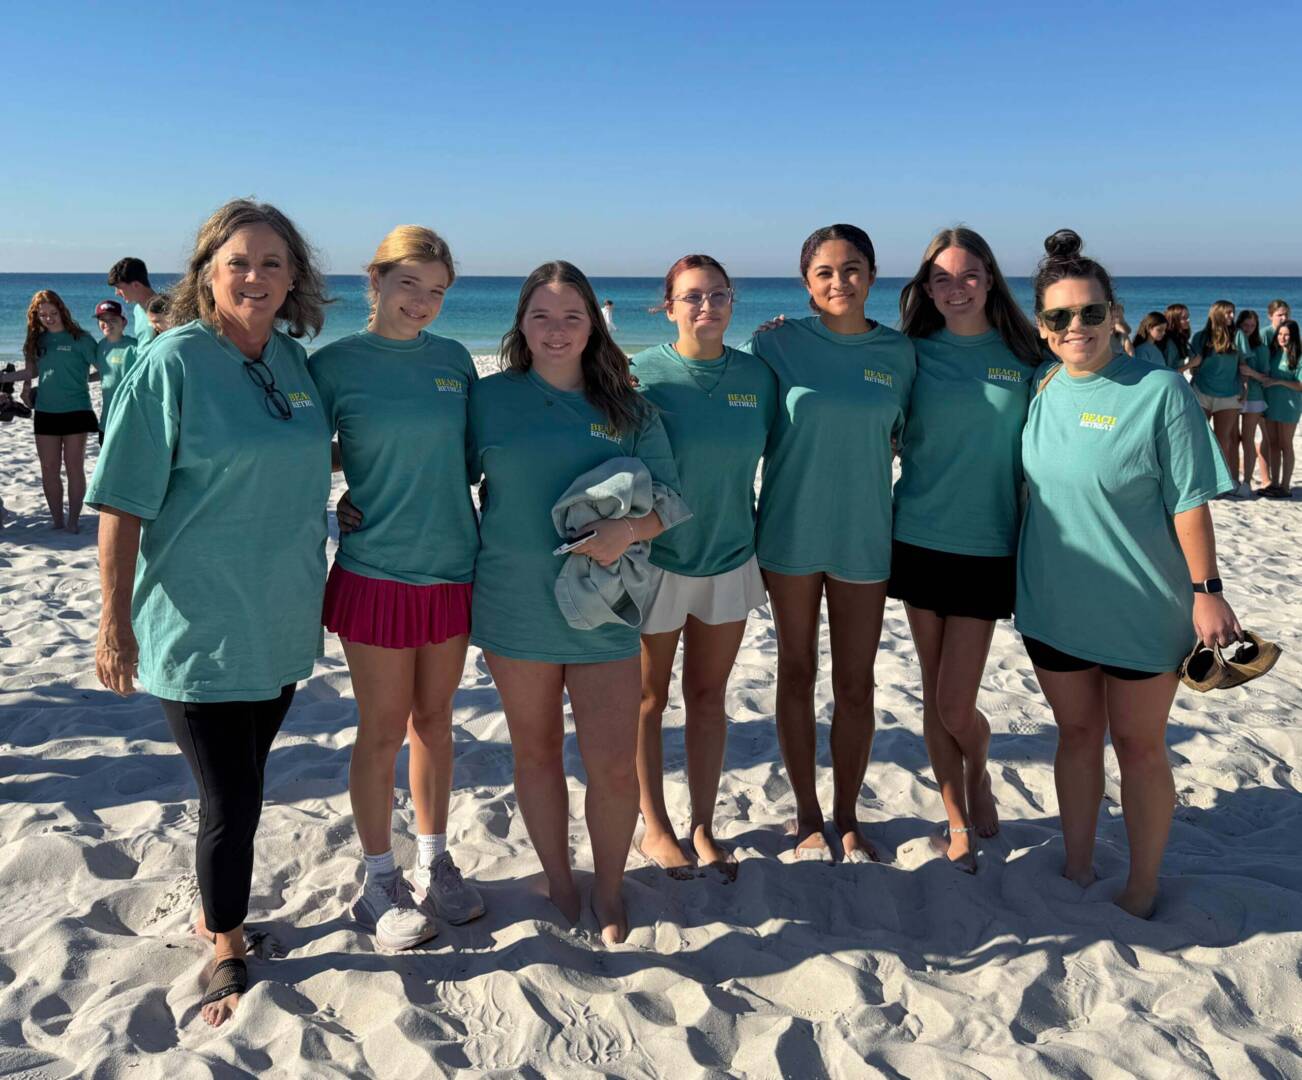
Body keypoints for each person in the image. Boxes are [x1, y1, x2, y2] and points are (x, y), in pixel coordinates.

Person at [87, 198, 333, 1026]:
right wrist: (112, 620)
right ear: (206, 274)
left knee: (249, 780)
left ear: (293, 276)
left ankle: (214, 908)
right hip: (197, 624)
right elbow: (120, 505)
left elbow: (307, 461)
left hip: (280, 616)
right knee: (232, 796)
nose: (255, 277)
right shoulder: (172, 361)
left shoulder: (295, 363)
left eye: (272, 263)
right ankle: (224, 934)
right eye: (238, 262)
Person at [1016, 229, 1240, 918]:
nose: (1076, 327)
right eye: (1059, 316)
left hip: (1144, 605)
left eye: (1089, 312)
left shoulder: (1161, 390)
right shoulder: (1042, 383)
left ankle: (1142, 884)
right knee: (1076, 737)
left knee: (1140, 748)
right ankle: (1079, 864)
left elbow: (1188, 503)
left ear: (1115, 311)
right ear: (1041, 327)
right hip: (1053, 603)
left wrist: (1208, 593)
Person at [468, 261, 688, 944]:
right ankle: (561, 882)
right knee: (534, 753)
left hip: (605, 608)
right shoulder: (488, 400)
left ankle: (612, 886)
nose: (556, 330)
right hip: (513, 600)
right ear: (521, 326)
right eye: (542, 316)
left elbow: (677, 500)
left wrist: (630, 528)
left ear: (594, 324)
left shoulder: (628, 405)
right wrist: (358, 499)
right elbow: (437, 474)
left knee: (612, 763)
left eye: (572, 317)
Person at [309, 226, 485, 950]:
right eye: (409, 283)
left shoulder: (452, 361)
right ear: (374, 279)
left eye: (438, 290)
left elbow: (476, 456)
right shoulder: (334, 365)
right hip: (376, 569)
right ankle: (378, 881)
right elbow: (291, 447)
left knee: (436, 723)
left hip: (452, 565)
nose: (423, 301)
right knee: (382, 728)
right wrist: (327, 505)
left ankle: (436, 861)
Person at [746, 224, 916, 862]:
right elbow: (731, 416)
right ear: (806, 282)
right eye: (825, 272)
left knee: (858, 683)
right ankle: (807, 812)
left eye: (851, 270)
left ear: (872, 276)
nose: (839, 281)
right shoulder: (776, 343)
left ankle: (847, 813)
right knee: (795, 672)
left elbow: (913, 439)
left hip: (865, 536)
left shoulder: (900, 354)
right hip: (789, 531)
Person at [893, 227, 1042, 872]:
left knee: (957, 700)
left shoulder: (1028, 353)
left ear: (990, 278)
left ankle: (977, 773)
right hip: (918, 535)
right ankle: (954, 817)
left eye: (968, 275)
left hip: (988, 542)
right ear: (926, 288)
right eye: (941, 279)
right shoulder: (910, 354)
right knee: (934, 695)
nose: (956, 289)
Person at [629, 255, 776, 877]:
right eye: (692, 297)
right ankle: (655, 825)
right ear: (669, 306)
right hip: (658, 559)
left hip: (730, 556)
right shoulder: (642, 373)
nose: (706, 307)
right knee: (647, 699)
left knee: (709, 697)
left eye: (718, 295)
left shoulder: (757, 377)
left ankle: (703, 825)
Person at [17, 290, 99, 531]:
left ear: (61, 310)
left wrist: (81, 380)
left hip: (76, 410)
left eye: (53, 313)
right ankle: (57, 521)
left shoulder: (80, 339)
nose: (49, 318)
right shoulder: (36, 341)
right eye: (43, 315)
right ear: (36, 316)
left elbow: (103, 369)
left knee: (74, 467)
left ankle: (73, 521)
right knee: (49, 468)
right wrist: (12, 381)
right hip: (45, 411)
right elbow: (31, 372)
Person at [1187, 300, 1245, 475]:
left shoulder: (1238, 335)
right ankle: (1201, 478)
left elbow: (1243, 366)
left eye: (1233, 312)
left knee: (1223, 441)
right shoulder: (1200, 337)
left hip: (1229, 394)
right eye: (1228, 313)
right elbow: (1193, 367)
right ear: (1217, 314)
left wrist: (1245, 388)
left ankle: (1221, 480)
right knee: (1200, 438)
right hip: (1201, 392)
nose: (1232, 316)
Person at [1261, 319, 1302, 498]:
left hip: (1289, 406)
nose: (1282, 338)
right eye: (1279, 334)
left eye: (1286, 335)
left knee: (1286, 444)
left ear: (1293, 337)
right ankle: (1274, 483)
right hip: (1271, 403)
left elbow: (1300, 385)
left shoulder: (1298, 356)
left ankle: (1285, 486)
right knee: (1273, 444)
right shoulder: (1273, 353)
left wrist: (1277, 381)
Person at [1234, 310, 1272, 495]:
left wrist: (1251, 372)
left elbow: (1266, 377)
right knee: (1232, 438)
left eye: (1252, 325)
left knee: (1247, 438)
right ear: (1239, 325)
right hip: (1232, 395)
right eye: (1245, 325)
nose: (1248, 329)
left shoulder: (1261, 349)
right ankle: (1232, 478)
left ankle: (1247, 482)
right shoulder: (1232, 344)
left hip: (1254, 397)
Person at [93, 300, 137, 435]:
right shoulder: (100, 346)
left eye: (113, 319)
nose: (107, 324)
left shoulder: (134, 347)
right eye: (102, 320)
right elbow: (105, 373)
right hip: (107, 420)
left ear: (124, 322)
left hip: (130, 419)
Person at [107, 256, 160, 348]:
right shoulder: (137, 310)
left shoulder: (165, 309)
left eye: (119, 288)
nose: (116, 293)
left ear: (136, 285)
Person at [1162, 304, 1192, 372]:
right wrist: (1191, 364)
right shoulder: (1170, 343)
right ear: (1174, 320)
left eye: (1188, 317)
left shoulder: (1179, 338)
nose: (1188, 320)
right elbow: (1169, 371)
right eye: (1184, 318)